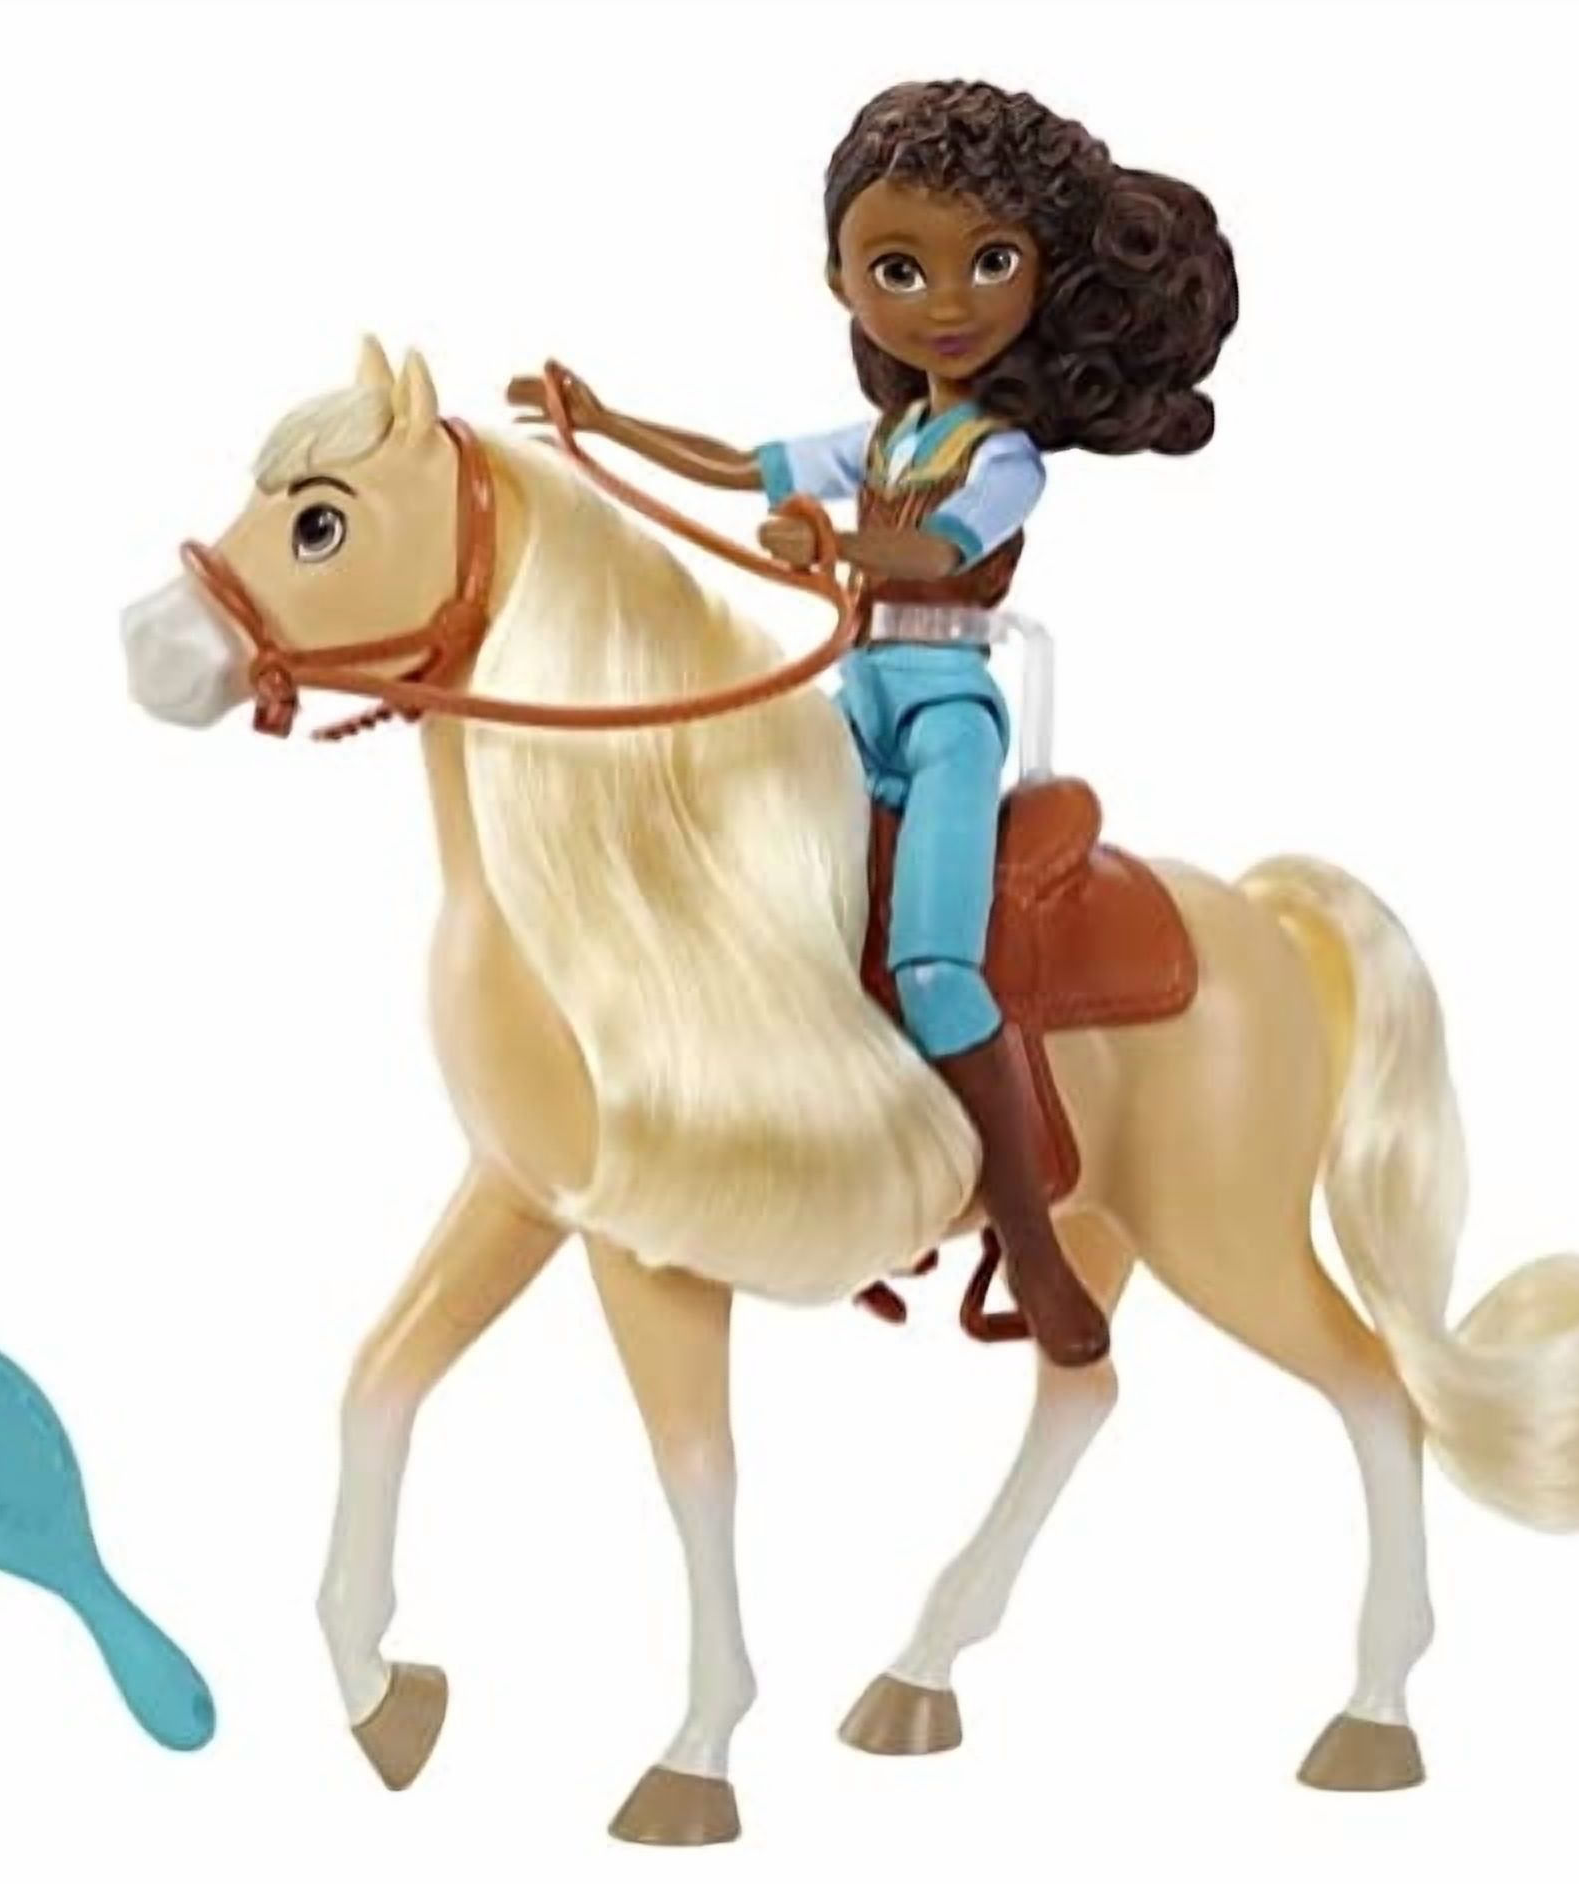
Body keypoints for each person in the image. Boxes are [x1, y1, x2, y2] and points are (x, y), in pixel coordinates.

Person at [508, 78, 1237, 1365]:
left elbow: (935, 549)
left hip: (945, 712)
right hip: (854, 706)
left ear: (1042, 273)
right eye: (899, 269)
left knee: (936, 969)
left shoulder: (998, 456)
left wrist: (835, 544)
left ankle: (1034, 1245)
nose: (944, 303)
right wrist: (605, 426)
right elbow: (746, 464)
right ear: (841, 280)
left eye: (988, 264)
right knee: (772, 918)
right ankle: (849, 1184)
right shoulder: (889, 433)